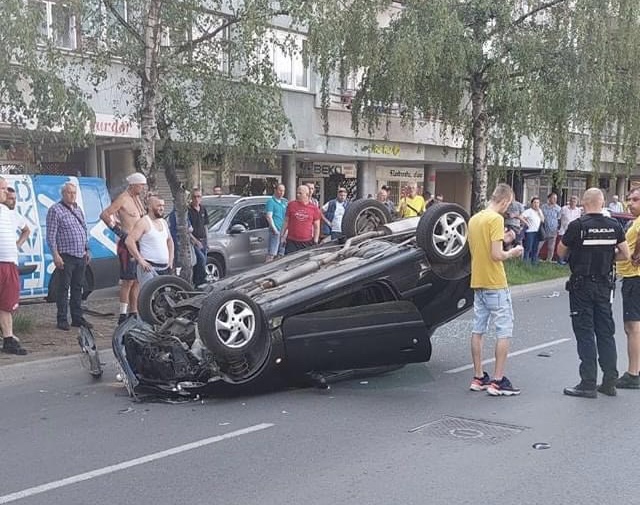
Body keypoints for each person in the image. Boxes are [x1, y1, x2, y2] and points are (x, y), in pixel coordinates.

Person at [557, 187, 629, 398]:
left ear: (584, 204)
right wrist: (607, 258)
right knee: (605, 332)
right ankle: (609, 381)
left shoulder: (577, 226)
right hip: (604, 287)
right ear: (602, 202)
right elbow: (625, 254)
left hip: (582, 286)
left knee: (585, 332)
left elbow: (561, 252)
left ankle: (588, 382)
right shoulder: (614, 226)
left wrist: (577, 253)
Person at [467, 183, 524, 396]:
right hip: (495, 282)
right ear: (506, 200)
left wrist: (505, 239)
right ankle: (498, 381)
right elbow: (497, 255)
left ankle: (479, 376)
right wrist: (514, 251)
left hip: (478, 280)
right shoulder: (496, 219)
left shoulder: (475, 219)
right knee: (503, 330)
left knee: (478, 329)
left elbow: (482, 247)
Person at [100, 172, 147, 324]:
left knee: (137, 279)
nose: (142, 188)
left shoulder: (137, 199)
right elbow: (105, 214)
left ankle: (134, 311)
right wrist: (119, 232)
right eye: (140, 185)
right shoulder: (123, 198)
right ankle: (122, 313)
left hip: (139, 242)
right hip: (127, 243)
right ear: (133, 185)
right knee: (128, 280)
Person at [46, 182, 92, 331]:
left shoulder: (78, 209)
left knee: (78, 287)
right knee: (63, 288)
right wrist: (55, 255)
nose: (72, 195)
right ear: (63, 194)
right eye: (69, 193)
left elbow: (84, 230)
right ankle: (62, 319)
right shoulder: (55, 210)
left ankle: (77, 318)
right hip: (66, 255)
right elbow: (51, 236)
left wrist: (87, 249)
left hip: (80, 255)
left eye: (74, 193)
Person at [615, 187, 640, 389]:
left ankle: (633, 373)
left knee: (632, 327)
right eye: (629, 199)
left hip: (634, 277)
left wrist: (635, 256)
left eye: (635, 199)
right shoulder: (635, 221)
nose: (630, 203)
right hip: (631, 277)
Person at [0, 177, 27, 355]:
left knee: (7, 303)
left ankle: (8, 338)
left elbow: (26, 229)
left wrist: (16, 244)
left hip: (9, 262)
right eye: (2, 188)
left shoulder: (8, 212)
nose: (6, 191)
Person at [125, 195, 174, 287]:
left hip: (165, 267)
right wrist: (140, 260)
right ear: (150, 207)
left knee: (165, 297)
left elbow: (170, 241)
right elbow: (129, 241)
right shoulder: (143, 222)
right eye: (159, 206)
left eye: (163, 205)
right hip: (149, 268)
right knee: (150, 297)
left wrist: (171, 260)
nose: (162, 208)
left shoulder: (163, 222)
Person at [280, 185, 321, 254]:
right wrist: (282, 235)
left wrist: (315, 241)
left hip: (306, 242)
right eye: (297, 193)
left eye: (300, 193)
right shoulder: (291, 205)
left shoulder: (314, 208)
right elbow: (286, 221)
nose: (297, 195)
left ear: (307, 194)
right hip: (291, 241)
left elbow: (317, 227)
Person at [188, 188, 209, 286]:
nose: (196, 199)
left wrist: (207, 241)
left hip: (203, 240)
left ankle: (199, 283)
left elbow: (205, 226)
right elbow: (187, 229)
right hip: (194, 242)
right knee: (201, 260)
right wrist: (195, 241)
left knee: (202, 262)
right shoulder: (188, 210)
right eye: (194, 196)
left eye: (198, 196)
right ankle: (200, 282)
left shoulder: (203, 209)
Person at [265, 184, 287, 262]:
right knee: (272, 253)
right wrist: (274, 229)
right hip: (276, 230)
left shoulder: (284, 202)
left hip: (283, 231)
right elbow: (269, 216)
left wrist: (286, 231)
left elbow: (287, 217)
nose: (282, 192)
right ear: (275, 190)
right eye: (280, 190)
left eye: (283, 191)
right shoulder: (271, 202)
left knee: (281, 253)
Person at [558, 195, 581, 265]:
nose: (573, 202)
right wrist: (558, 228)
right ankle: (560, 260)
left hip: (573, 232)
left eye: (575, 201)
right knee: (562, 246)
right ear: (569, 201)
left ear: (577, 202)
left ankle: (567, 260)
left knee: (570, 247)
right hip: (563, 230)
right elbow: (559, 219)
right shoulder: (564, 209)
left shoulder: (578, 210)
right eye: (572, 201)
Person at [538, 192, 561, 261]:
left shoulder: (558, 208)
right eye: (553, 198)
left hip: (553, 230)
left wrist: (557, 228)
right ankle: (534, 257)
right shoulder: (543, 207)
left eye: (556, 198)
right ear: (549, 198)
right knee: (539, 245)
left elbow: (559, 219)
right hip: (544, 229)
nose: (555, 200)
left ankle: (548, 260)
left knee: (551, 247)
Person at [521, 196, 544, 264]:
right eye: (535, 202)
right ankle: (525, 262)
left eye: (537, 203)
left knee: (535, 248)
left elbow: (542, 220)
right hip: (530, 232)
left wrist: (539, 213)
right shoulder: (528, 211)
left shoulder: (540, 211)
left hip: (537, 232)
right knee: (528, 248)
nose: (536, 204)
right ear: (532, 203)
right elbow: (521, 217)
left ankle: (534, 262)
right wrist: (526, 223)